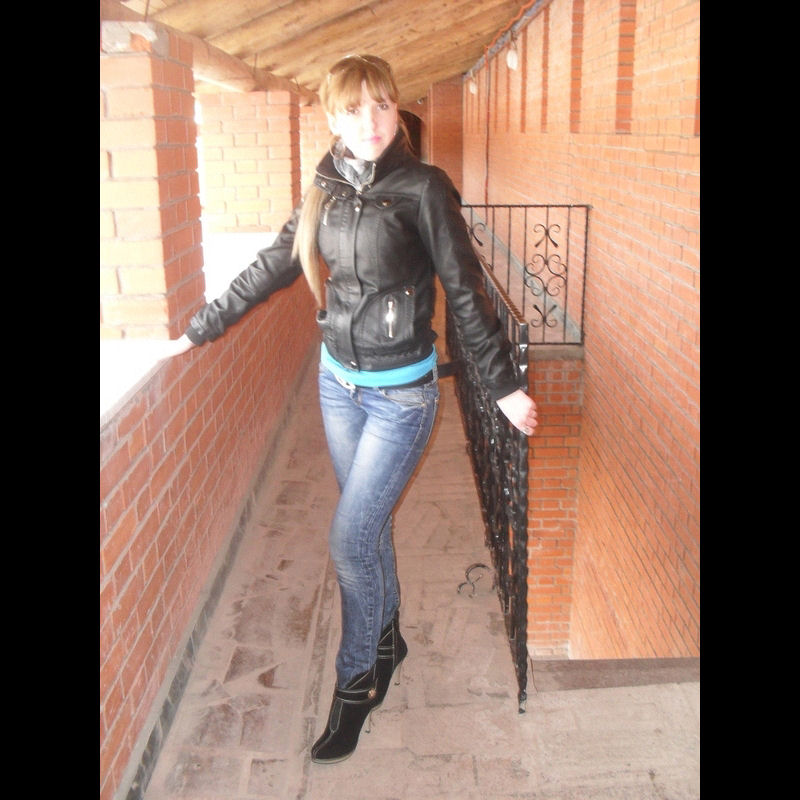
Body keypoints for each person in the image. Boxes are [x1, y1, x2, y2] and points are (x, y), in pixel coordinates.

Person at [161, 54, 538, 764]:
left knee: (348, 538)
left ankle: (356, 680)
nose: (371, 122)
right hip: (337, 385)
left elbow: (464, 291)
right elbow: (277, 260)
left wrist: (501, 386)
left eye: (382, 106)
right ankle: (388, 638)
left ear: (397, 111)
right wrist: (202, 326)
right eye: (355, 109)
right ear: (332, 117)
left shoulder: (425, 188)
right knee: (367, 530)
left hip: (402, 395)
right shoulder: (324, 187)